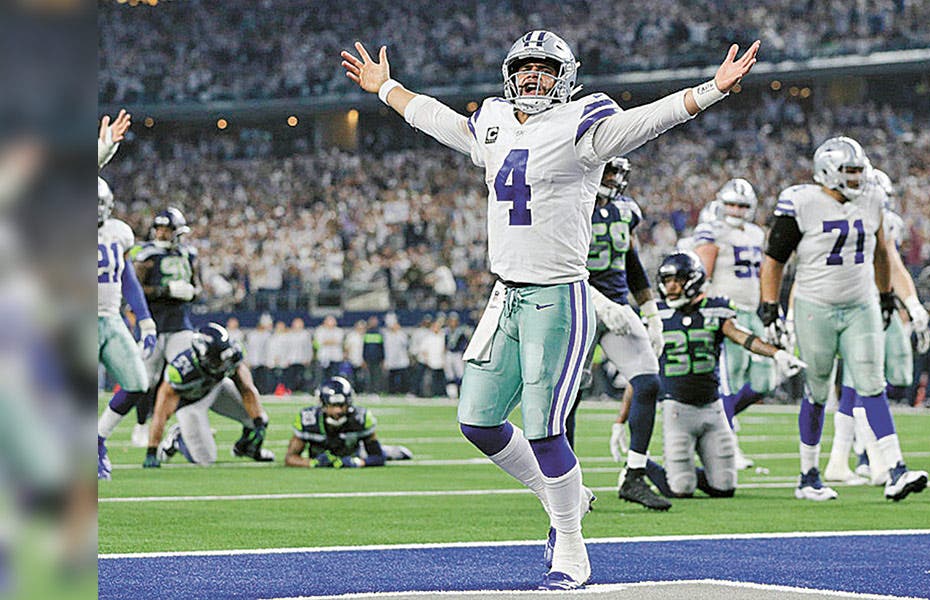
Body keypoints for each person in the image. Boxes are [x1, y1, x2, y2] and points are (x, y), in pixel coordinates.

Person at [341, 29, 758, 589]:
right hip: (505, 294)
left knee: (544, 430)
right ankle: (562, 495)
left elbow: (648, 121)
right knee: (477, 422)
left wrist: (712, 89)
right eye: (525, 68)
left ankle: (571, 548)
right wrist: (386, 88)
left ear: (565, 77)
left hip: (558, 296)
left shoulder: (582, 123)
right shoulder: (493, 119)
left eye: (545, 69)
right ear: (510, 74)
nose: (533, 77)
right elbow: (439, 120)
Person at [758, 136, 928, 502]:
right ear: (827, 171)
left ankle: (896, 469)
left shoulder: (872, 198)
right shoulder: (801, 202)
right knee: (818, 389)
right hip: (814, 305)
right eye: (849, 171)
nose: (857, 178)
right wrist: (770, 306)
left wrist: (885, 295)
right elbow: (774, 261)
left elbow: (882, 253)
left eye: (859, 171)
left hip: (860, 304)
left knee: (872, 382)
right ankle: (808, 475)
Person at [645, 251, 803, 498]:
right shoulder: (658, 315)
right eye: (667, 281)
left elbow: (742, 337)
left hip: (712, 408)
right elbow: (640, 367)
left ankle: (685, 471)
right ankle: (642, 467)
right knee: (681, 488)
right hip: (677, 409)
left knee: (725, 487)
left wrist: (777, 354)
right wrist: (624, 418)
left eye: (678, 280)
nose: (671, 286)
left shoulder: (716, 309)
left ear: (693, 280)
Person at [569, 156, 669, 511]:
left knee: (648, 381)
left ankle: (634, 475)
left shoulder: (626, 209)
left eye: (617, 172)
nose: (613, 178)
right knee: (567, 397)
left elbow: (631, 262)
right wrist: (599, 303)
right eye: (608, 170)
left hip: (617, 309)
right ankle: (565, 484)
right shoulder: (568, 201)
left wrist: (651, 311)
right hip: (572, 307)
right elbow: (559, 265)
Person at [823, 167, 930, 485]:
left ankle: (850, 459)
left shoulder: (872, 217)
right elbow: (889, 264)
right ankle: (871, 459)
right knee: (866, 382)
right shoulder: (854, 216)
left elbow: (891, 264)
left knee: (874, 380)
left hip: (869, 304)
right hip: (860, 306)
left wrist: (911, 304)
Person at [692, 178, 774, 470]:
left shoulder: (756, 233)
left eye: (742, 206)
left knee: (766, 380)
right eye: (731, 205)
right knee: (729, 379)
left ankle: (718, 419)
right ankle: (728, 442)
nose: (736, 211)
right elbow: (701, 272)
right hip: (726, 312)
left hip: (752, 311)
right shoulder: (712, 229)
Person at [96, 176, 158, 480]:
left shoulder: (119, 232)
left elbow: (127, 277)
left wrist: (145, 319)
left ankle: (97, 440)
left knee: (137, 383)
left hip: (110, 318)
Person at [143, 323, 272, 467]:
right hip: (190, 403)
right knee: (205, 459)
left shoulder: (232, 353)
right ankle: (178, 439)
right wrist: (151, 451)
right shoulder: (181, 371)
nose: (222, 365)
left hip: (217, 388)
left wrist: (259, 425)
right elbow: (161, 413)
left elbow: (247, 390)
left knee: (259, 417)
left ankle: (247, 448)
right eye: (216, 361)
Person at [125, 205, 202, 446]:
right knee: (147, 379)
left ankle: (186, 427)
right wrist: (165, 290)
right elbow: (135, 290)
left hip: (180, 325)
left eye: (166, 229)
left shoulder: (188, 254)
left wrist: (192, 292)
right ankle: (141, 424)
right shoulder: (146, 254)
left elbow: (198, 287)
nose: (161, 233)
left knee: (186, 376)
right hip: (153, 325)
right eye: (158, 229)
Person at [284, 376, 412, 468]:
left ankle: (391, 451)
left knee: (368, 453)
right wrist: (312, 463)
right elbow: (290, 457)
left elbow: (378, 457)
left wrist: (358, 462)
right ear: (323, 404)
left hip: (354, 453)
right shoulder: (309, 419)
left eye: (341, 405)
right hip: (324, 454)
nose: (338, 411)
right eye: (332, 405)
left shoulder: (359, 418)